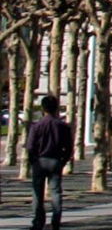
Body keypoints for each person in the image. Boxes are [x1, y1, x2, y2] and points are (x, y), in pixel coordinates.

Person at [26, 94, 73, 230]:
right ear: (56, 108)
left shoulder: (37, 126)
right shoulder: (63, 126)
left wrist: (33, 161)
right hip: (55, 160)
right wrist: (63, 161)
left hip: (40, 161)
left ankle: (38, 221)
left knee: (37, 193)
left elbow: (30, 147)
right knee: (56, 192)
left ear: (43, 108)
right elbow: (69, 147)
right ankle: (56, 221)